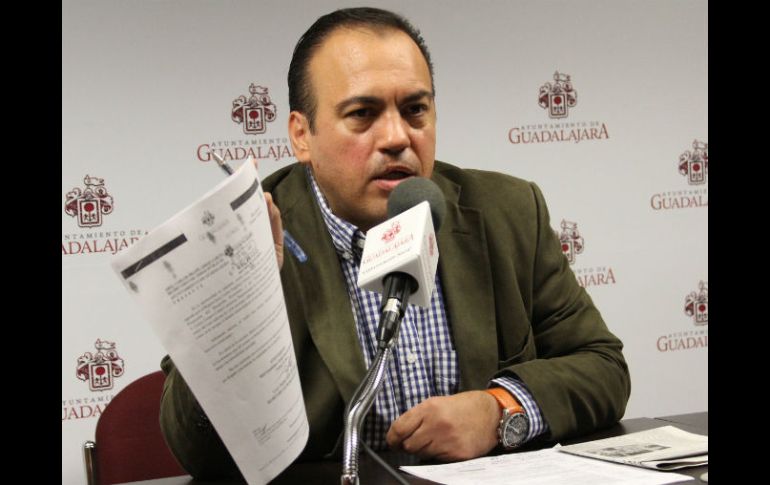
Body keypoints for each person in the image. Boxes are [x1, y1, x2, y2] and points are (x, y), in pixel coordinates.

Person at [159, 7, 631, 479]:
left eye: (414, 110)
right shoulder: (253, 236)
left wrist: (500, 410)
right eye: (362, 114)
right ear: (302, 136)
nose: (396, 137)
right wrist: (242, 299)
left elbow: (603, 366)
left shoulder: (507, 212)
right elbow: (197, 452)